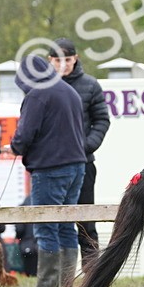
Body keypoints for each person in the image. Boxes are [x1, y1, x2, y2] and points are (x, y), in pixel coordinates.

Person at [9, 55, 87, 287]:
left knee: (45, 226)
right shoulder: (69, 91)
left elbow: (25, 134)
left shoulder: (37, 95)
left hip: (50, 167)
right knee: (66, 225)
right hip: (77, 166)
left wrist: (15, 146)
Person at [50, 38, 110, 263]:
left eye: (67, 59)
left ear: (75, 58)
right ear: (50, 60)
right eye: (58, 60)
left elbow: (102, 120)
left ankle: (92, 273)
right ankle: (56, 275)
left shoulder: (90, 85)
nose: (63, 64)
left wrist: (85, 146)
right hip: (50, 166)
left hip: (83, 164)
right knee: (51, 221)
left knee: (86, 222)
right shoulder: (41, 87)